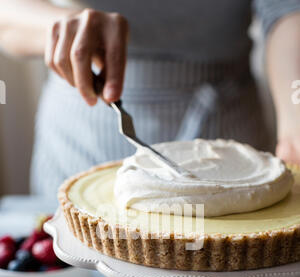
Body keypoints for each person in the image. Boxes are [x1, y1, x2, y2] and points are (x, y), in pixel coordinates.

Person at [1, 0, 300, 199]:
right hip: (83, 131)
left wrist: (295, 114)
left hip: (227, 124)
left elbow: (287, 10)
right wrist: (63, 28)